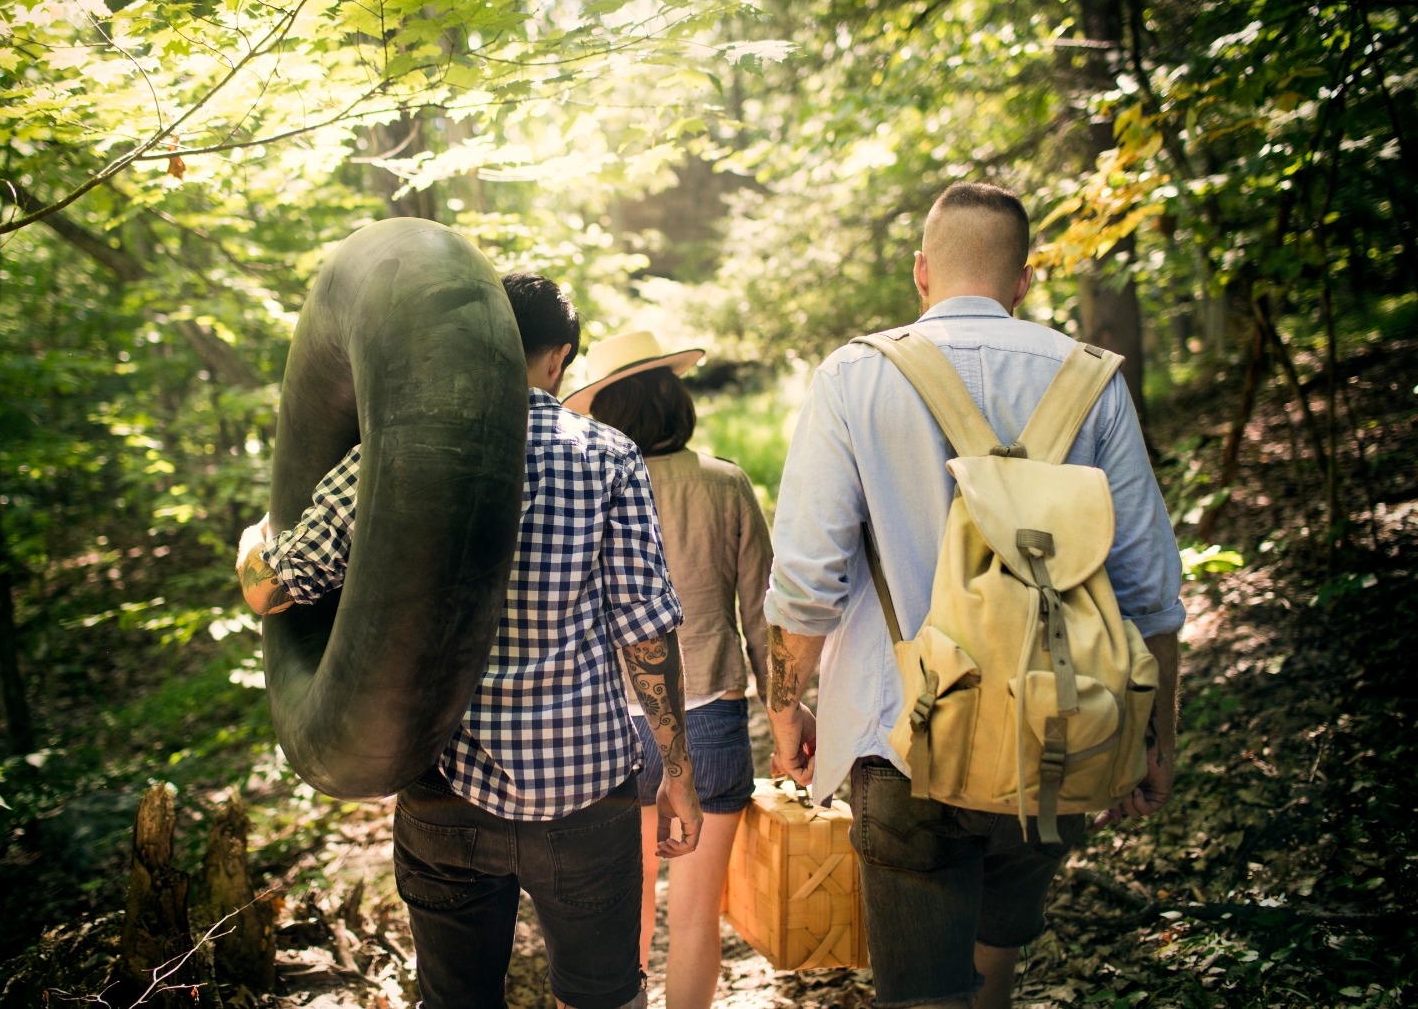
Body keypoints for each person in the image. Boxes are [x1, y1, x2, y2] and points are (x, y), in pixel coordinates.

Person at [762, 182, 1185, 1009]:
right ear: (1023, 281)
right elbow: (1150, 586)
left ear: (922, 273)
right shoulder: (1089, 379)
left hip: (903, 737)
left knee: (921, 991)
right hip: (1056, 726)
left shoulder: (855, 378)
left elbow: (806, 582)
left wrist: (787, 712)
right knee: (995, 961)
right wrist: (1154, 738)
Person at [236, 272, 704, 1009]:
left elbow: (274, 589)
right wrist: (677, 770)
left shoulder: (395, 455)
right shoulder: (607, 456)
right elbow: (646, 634)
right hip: (586, 794)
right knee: (603, 997)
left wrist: (252, 545)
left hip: (445, 787)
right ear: (560, 358)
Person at [563, 331, 773, 1009]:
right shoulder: (724, 482)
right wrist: (787, 709)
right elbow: (763, 614)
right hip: (710, 721)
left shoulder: (587, 488)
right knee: (692, 921)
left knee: (618, 920)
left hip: (606, 731)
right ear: (674, 400)